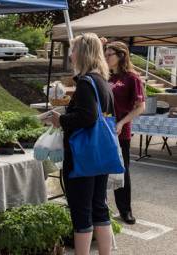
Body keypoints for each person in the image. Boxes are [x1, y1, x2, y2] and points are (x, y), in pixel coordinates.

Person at [50, 33, 114, 255]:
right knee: (99, 209)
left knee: (81, 212)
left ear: (83, 53)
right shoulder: (103, 81)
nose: (70, 54)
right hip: (100, 154)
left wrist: (62, 119)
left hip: (82, 157)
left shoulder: (87, 83)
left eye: (73, 49)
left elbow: (87, 117)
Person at [105, 41, 145, 225]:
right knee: (100, 169)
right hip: (102, 130)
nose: (105, 57)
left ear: (121, 55)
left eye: (109, 54)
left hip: (120, 132)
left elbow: (140, 107)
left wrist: (121, 122)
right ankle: (101, 207)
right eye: (105, 54)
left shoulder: (132, 78)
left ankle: (125, 210)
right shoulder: (104, 76)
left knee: (122, 171)